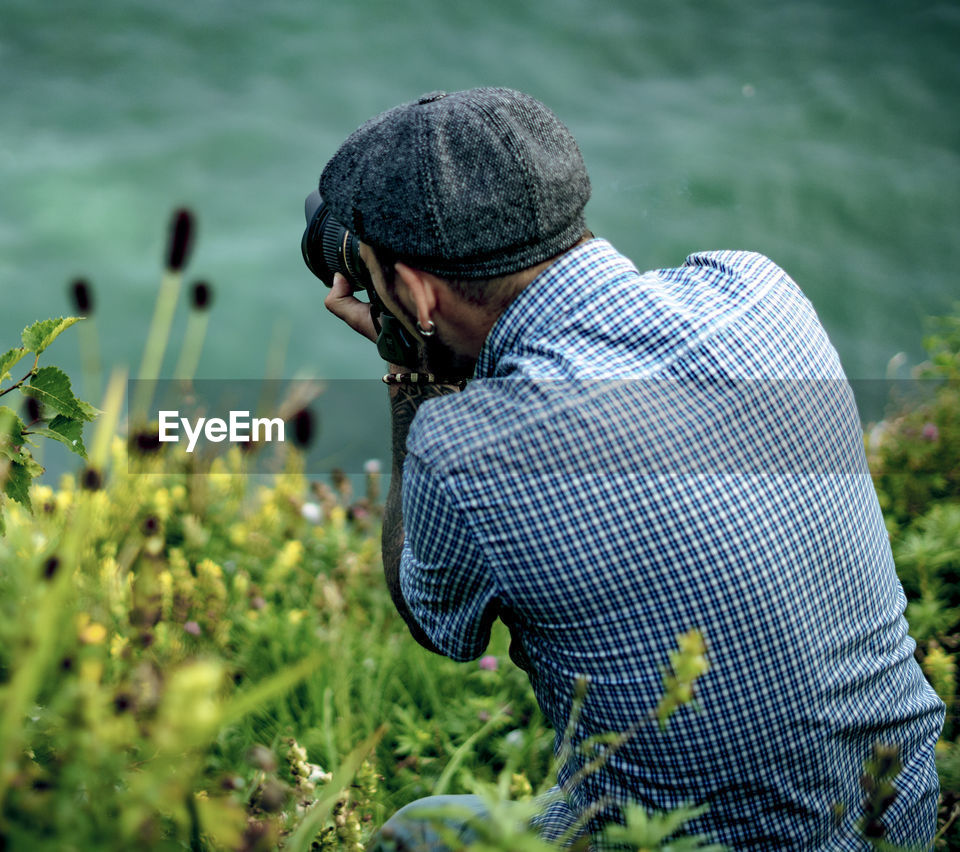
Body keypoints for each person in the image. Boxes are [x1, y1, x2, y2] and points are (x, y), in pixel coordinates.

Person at [318, 88, 944, 850]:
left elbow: (437, 623)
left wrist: (413, 374)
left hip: (683, 844)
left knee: (418, 832)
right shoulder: (760, 289)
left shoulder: (466, 451)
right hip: (895, 815)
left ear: (415, 290)